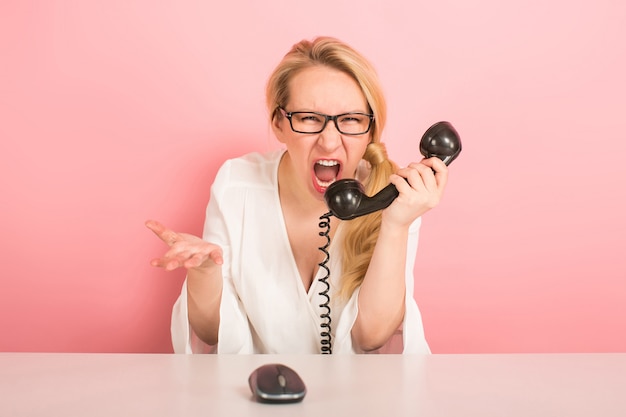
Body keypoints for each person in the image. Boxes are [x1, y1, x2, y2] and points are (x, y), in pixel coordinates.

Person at [146, 36, 448, 354]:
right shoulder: (236, 184)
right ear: (279, 123)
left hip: (358, 399)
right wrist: (205, 274)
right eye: (309, 118)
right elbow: (209, 333)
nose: (329, 142)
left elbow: (371, 338)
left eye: (350, 120)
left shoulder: (395, 197)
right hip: (259, 396)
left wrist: (395, 225)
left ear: (371, 129)